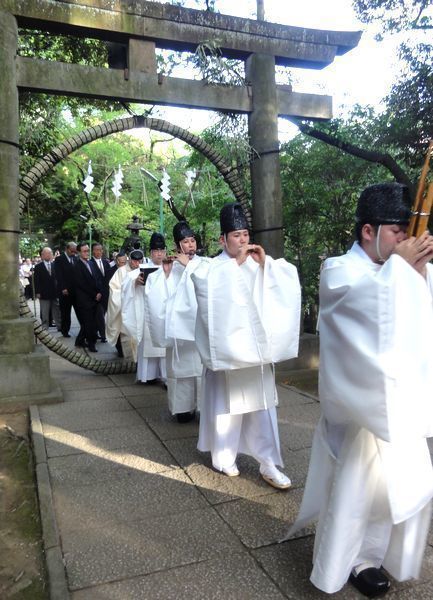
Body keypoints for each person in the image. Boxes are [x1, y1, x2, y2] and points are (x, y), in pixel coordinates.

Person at [286, 182, 433, 597]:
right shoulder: (339, 269)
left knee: (397, 486)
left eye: (409, 230)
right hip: (359, 406)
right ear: (368, 231)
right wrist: (402, 272)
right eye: (398, 230)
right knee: (355, 488)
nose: (406, 238)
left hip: (401, 399)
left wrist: (418, 276)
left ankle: (381, 553)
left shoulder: (399, 268)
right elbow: (367, 311)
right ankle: (347, 562)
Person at [191, 202, 301, 488]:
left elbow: (282, 286)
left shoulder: (259, 262)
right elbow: (203, 288)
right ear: (222, 239)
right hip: (229, 354)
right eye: (235, 235)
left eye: (245, 234)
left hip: (255, 355)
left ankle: (268, 462)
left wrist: (266, 266)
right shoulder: (210, 268)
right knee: (227, 411)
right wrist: (235, 265)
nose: (242, 241)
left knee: (262, 409)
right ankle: (225, 457)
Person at [145, 221, 210, 422]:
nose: (190, 245)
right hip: (179, 333)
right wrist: (164, 274)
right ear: (176, 244)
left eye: (192, 241)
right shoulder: (170, 265)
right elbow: (157, 294)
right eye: (185, 241)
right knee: (180, 371)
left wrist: (189, 265)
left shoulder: (205, 263)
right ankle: (183, 409)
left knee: (201, 371)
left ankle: (204, 408)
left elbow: (209, 286)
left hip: (199, 327)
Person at [121, 233, 167, 384]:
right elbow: (126, 285)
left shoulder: (171, 269)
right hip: (148, 314)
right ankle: (147, 376)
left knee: (165, 348)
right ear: (151, 253)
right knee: (149, 344)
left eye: (162, 251)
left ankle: (166, 377)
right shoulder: (141, 270)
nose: (159, 254)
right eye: (156, 251)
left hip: (165, 314)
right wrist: (135, 283)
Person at [106, 250, 141, 360]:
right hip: (126, 310)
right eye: (134, 261)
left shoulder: (144, 270)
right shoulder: (121, 272)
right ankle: (130, 362)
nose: (137, 264)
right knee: (128, 338)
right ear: (129, 260)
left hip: (140, 311)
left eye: (139, 261)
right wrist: (131, 287)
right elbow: (114, 290)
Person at [73, 242, 103, 352]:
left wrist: (100, 292)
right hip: (85, 300)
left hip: (95, 299)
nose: (87, 253)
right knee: (89, 324)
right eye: (84, 251)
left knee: (92, 323)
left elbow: (98, 278)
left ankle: (79, 340)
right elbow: (82, 284)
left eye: (88, 250)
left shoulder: (90, 263)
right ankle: (91, 344)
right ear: (79, 252)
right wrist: (95, 294)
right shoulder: (76, 266)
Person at [33, 246, 61, 330]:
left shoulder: (55, 265)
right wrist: (38, 292)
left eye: (51, 253)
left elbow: (58, 278)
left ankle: (59, 326)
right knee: (44, 311)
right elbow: (36, 281)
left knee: (56, 310)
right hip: (44, 293)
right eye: (48, 253)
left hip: (54, 292)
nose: (50, 255)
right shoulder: (38, 267)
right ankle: (45, 326)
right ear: (43, 255)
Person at [54, 242, 77, 337]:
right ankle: (65, 330)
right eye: (72, 251)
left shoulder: (75, 258)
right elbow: (59, 275)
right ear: (67, 249)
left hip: (75, 290)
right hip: (65, 291)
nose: (73, 253)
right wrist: (63, 288)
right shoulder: (59, 259)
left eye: (75, 251)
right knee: (65, 312)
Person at [90, 242, 111, 343]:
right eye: (97, 250)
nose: (99, 252)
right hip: (97, 294)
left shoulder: (106, 262)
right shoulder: (90, 263)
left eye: (100, 250)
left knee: (103, 315)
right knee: (99, 315)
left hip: (106, 293)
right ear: (93, 251)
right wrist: (97, 292)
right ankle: (103, 335)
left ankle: (96, 332)